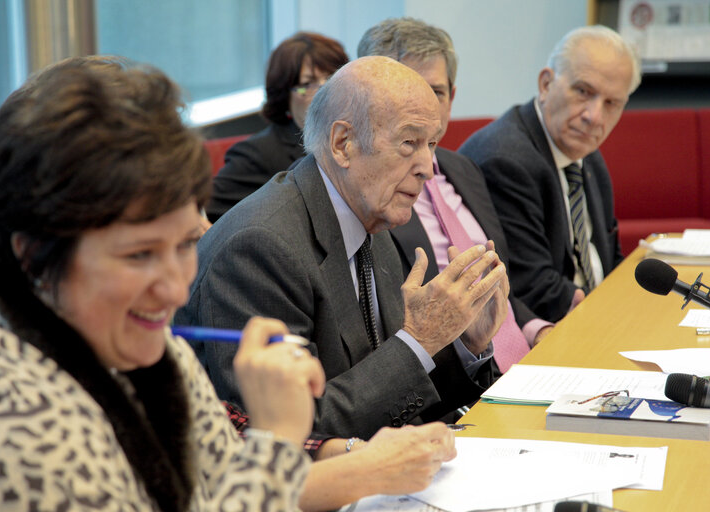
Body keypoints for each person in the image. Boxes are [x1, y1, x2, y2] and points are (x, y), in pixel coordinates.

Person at [0, 56, 455, 512]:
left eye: (187, 243)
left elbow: (221, 478)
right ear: (34, 254)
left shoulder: (143, 346)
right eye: (140, 255)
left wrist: (354, 458)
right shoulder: (9, 419)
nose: (173, 291)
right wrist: (277, 440)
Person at [176, 56, 508, 440]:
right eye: (409, 143)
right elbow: (297, 435)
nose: (428, 167)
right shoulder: (260, 247)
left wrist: (465, 340)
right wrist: (420, 341)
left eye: (432, 144)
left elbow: (392, 391)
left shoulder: (370, 216)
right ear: (343, 144)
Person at [357, 17, 553, 372]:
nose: (421, 107)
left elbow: (495, 281)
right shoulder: (368, 195)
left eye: (434, 92)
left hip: (527, 366)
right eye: (405, 92)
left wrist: (537, 329)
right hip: (450, 388)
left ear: (452, 98)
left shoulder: (463, 169)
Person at [459, 25, 641, 322]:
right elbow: (533, 289)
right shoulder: (506, 160)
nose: (594, 117)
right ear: (546, 84)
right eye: (583, 91)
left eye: (611, 103)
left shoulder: (586, 155)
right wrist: (616, 315)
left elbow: (609, 258)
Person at [206, 32, 349, 222]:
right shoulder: (257, 155)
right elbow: (204, 214)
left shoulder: (353, 140)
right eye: (307, 84)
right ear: (284, 97)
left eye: (331, 79)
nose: (324, 93)